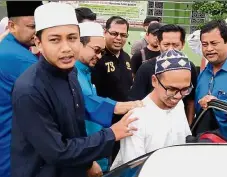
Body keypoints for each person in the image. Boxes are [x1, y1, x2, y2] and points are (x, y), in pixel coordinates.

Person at [10, 3, 138, 177]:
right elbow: (57, 151)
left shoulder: (71, 73)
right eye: (55, 40)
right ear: (38, 43)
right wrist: (111, 134)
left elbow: (75, 124)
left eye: (72, 38)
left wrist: (86, 163)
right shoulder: (30, 89)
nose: (66, 48)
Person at [76, 21, 143, 173]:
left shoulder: (85, 71)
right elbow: (86, 104)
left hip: (100, 141)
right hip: (86, 151)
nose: (99, 56)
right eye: (96, 50)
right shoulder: (71, 75)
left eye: (101, 52)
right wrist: (118, 106)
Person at [111, 49, 192, 169]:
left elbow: (184, 143)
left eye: (184, 89)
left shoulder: (179, 104)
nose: (178, 96)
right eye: (171, 89)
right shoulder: (136, 117)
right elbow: (135, 168)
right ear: (154, 81)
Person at [0, 2, 43, 177]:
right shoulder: (20, 58)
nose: (36, 33)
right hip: (13, 143)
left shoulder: (9, 48)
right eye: (32, 26)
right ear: (11, 25)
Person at [129, 24, 197, 125]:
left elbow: (190, 101)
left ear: (183, 44)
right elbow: (136, 101)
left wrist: (189, 126)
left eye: (175, 45)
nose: (170, 49)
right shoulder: (146, 68)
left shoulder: (189, 67)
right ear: (159, 44)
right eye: (166, 45)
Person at [91, 15, 134, 162]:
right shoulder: (96, 57)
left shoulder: (127, 57)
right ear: (105, 32)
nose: (118, 38)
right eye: (114, 33)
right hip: (102, 122)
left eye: (123, 35)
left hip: (124, 122)